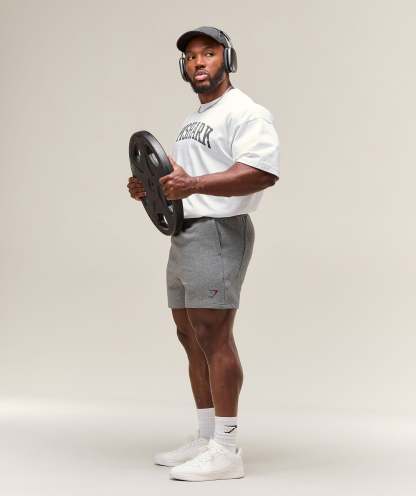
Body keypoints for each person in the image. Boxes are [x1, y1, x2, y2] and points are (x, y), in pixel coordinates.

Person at [127, 26, 280, 482]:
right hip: (185, 232)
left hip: (218, 232)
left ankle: (227, 450)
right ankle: (206, 435)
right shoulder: (194, 119)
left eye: (208, 53)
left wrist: (192, 184)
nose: (199, 62)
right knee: (189, 335)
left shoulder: (246, 112)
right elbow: (181, 178)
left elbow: (260, 172)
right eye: (192, 56)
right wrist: (151, 188)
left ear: (226, 59)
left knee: (214, 335)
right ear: (184, 66)